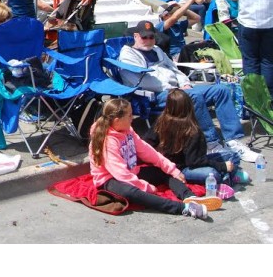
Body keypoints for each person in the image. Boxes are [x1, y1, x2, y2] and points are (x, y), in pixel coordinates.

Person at [118, 20, 259, 162]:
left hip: (178, 89)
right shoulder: (128, 55)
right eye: (144, 37)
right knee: (193, 96)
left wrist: (184, 82)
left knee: (221, 90)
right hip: (154, 95)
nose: (148, 40)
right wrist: (171, 87)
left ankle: (233, 141)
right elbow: (142, 80)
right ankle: (211, 143)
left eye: (151, 37)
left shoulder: (157, 50)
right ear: (136, 36)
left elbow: (174, 69)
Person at [89, 98, 219, 221]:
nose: (132, 118)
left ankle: (189, 197)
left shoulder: (127, 130)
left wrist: (172, 169)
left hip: (131, 171)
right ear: (117, 120)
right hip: (110, 179)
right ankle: (184, 208)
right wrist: (145, 187)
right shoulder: (108, 141)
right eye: (129, 115)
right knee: (132, 192)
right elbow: (121, 174)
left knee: (162, 172)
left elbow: (147, 151)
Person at [144, 88, 248, 191]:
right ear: (189, 106)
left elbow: (147, 142)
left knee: (232, 155)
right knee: (213, 173)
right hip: (184, 169)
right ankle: (225, 179)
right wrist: (221, 166)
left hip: (169, 165)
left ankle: (226, 177)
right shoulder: (192, 130)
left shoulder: (161, 122)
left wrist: (159, 158)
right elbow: (194, 162)